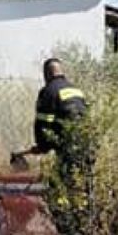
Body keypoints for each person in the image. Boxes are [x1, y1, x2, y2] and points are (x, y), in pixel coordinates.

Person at [12, 58, 88, 188]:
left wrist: (42, 146)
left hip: (66, 146)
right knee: (82, 183)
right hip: (86, 144)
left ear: (46, 74)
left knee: (58, 184)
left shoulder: (48, 91)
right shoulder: (77, 90)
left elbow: (43, 123)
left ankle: (58, 205)